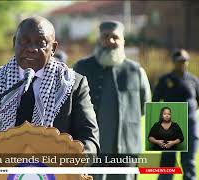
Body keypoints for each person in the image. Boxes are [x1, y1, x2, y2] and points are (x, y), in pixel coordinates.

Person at [0, 16, 100, 159]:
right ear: (14, 42)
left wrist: (65, 163)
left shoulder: (73, 85)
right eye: (24, 41)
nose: (31, 49)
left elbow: (89, 140)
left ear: (53, 48)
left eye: (40, 43)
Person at [73, 21, 151, 180]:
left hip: (126, 149)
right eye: (105, 36)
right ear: (98, 40)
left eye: (115, 37)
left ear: (123, 41)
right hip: (90, 149)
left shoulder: (136, 71)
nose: (110, 41)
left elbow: (145, 105)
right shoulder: (81, 68)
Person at [152, 49, 199, 180]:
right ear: (174, 62)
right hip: (170, 126)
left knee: (189, 162)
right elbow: (155, 101)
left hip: (190, 125)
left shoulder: (194, 80)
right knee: (167, 162)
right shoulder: (165, 80)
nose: (182, 64)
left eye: (185, 61)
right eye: (179, 61)